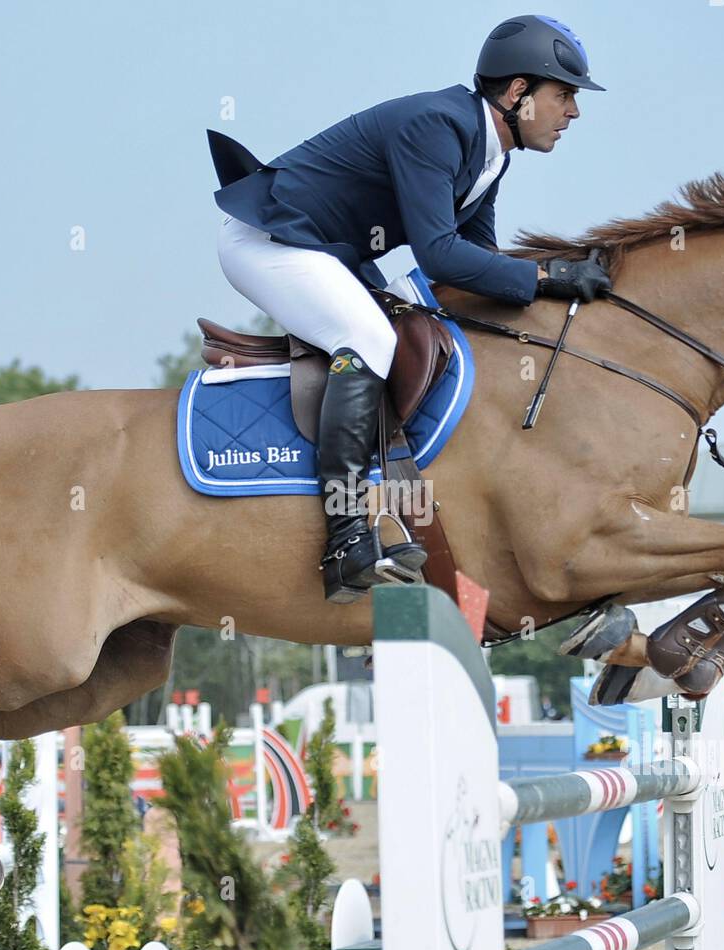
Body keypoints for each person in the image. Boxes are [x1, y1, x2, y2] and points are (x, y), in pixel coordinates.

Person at [211, 15, 611, 603]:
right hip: (269, 240)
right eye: (565, 94)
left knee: (428, 326)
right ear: (518, 91)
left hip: (330, 253)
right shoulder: (438, 126)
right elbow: (442, 255)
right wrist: (549, 276)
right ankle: (346, 538)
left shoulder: (490, 156)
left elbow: (478, 263)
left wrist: (554, 292)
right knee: (369, 340)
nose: (573, 111)